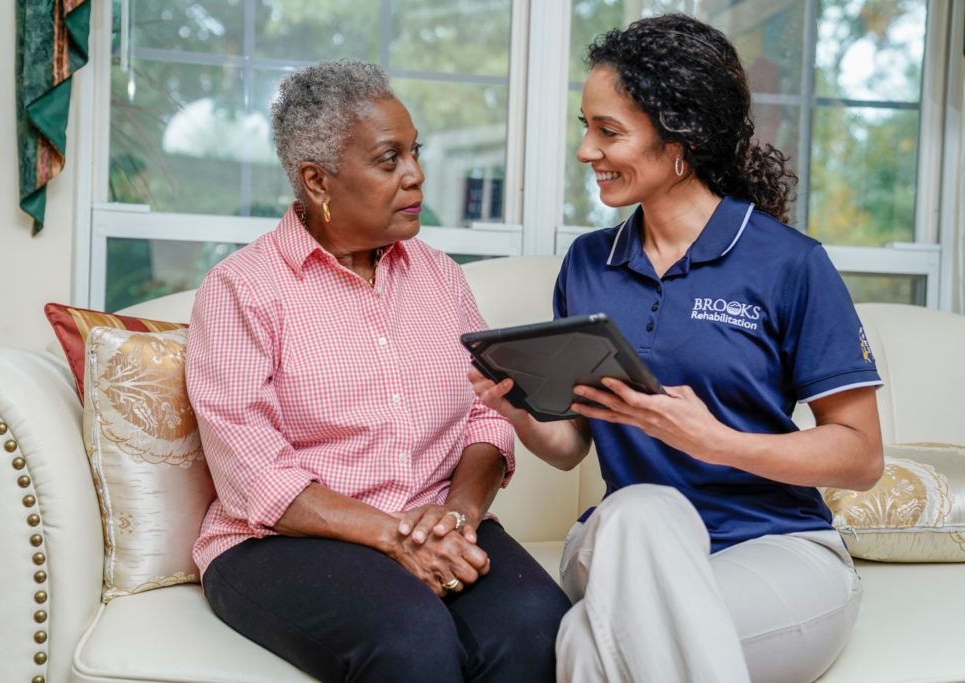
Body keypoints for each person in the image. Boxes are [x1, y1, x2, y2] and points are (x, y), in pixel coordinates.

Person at [470, 14, 883, 683]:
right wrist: (516, 407)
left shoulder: (790, 264)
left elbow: (861, 457)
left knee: (581, 640)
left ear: (681, 139)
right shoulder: (588, 263)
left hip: (776, 548)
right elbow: (572, 442)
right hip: (622, 543)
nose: (586, 151)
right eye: (586, 126)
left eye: (609, 131)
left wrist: (713, 439)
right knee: (641, 506)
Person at [186, 59, 570, 683]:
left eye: (414, 153)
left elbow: (486, 414)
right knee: (410, 640)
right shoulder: (243, 290)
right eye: (389, 160)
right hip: (281, 542)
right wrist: (395, 536)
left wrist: (459, 518)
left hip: (432, 517)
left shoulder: (440, 277)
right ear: (317, 181)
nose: (416, 175)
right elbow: (256, 476)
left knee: (539, 627)